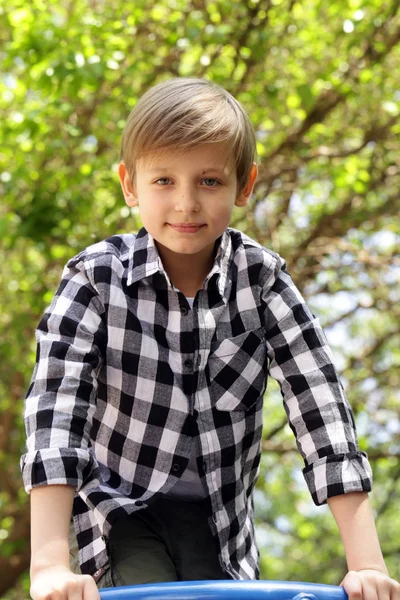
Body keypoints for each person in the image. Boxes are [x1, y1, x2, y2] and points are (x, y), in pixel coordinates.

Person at [20, 77, 399, 600]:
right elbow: (56, 413)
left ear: (245, 185)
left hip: (220, 524)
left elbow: (321, 408)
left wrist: (367, 567)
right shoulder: (94, 280)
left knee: (212, 581)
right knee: (147, 578)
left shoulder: (263, 281)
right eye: (163, 182)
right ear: (129, 185)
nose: (186, 203)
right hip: (121, 510)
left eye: (210, 181)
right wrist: (48, 566)